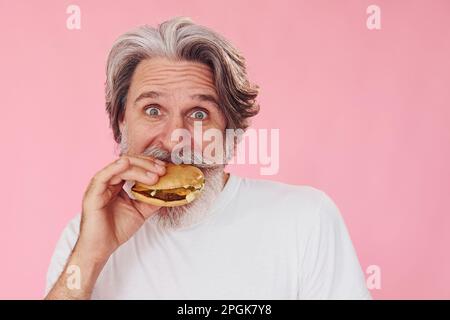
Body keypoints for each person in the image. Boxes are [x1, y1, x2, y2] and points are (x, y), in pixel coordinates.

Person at [45, 16, 371, 300]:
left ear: (230, 127)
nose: (176, 137)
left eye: (199, 113)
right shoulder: (84, 238)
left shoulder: (305, 220)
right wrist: (90, 257)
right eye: (153, 110)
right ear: (122, 121)